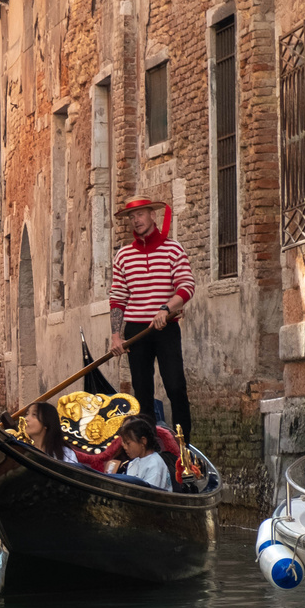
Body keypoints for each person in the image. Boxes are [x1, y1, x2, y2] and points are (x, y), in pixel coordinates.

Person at [108, 196, 195, 435]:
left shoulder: (173, 249)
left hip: (165, 327)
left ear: (153, 216)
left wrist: (166, 309)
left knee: (176, 387)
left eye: (140, 215)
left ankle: (183, 447)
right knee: (142, 391)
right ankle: (148, 448)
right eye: (132, 217)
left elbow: (186, 286)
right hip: (136, 330)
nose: (136, 220)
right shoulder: (123, 256)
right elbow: (118, 298)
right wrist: (116, 336)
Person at [109, 415, 173, 490]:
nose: (125, 447)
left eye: (128, 443)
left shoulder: (154, 464)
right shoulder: (134, 462)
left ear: (143, 441)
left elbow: (150, 494)